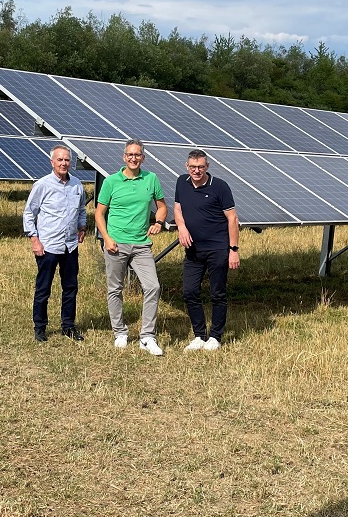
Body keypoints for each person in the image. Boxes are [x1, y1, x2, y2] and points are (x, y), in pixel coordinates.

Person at [95, 139, 167, 355]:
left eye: (137, 155)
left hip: (141, 244)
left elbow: (162, 207)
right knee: (115, 289)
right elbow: (99, 213)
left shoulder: (151, 179)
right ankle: (120, 332)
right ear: (124, 157)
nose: (133, 158)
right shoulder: (111, 182)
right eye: (130, 155)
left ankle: (147, 336)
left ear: (143, 158)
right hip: (116, 243)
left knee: (152, 286)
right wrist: (106, 237)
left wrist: (158, 223)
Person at [173, 149, 240, 351]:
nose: (197, 171)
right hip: (193, 250)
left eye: (201, 167)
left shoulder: (220, 187)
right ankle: (199, 335)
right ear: (187, 167)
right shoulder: (181, 182)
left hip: (218, 249)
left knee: (217, 293)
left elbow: (232, 218)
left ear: (207, 167)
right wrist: (182, 227)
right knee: (189, 292)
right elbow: (177, 208)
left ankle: (216, 337)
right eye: (193, 167)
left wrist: (233, 249)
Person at [23, 144, 87, 342]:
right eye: (59, 159)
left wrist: (82, 227)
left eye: (67, 160)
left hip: (70, 245)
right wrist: (35, 239)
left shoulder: (77, 184)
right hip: (48, 245)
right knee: (44, 288)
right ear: (52, 162)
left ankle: (68, 326)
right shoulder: (42, 185)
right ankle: (40, 328)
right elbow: (28, 213)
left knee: (70, 288)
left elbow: (81, 209)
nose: (63, 163)